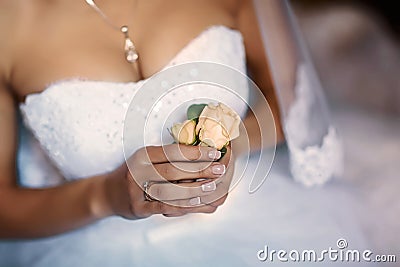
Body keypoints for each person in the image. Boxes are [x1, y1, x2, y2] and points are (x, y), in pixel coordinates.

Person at [0, 0, 371, 266]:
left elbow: (287, 96)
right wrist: (106, 196)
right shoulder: (8, 21)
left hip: (256, 221)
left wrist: (231, 146)